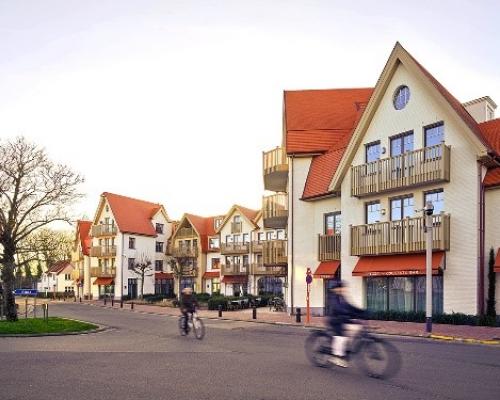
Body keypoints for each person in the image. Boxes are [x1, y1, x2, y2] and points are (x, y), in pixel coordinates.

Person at [326, 281, 365, 367]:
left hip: (343, 319)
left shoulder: (342, 297)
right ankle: (336, 357)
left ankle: (344, 347)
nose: (343, 289)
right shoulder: (333, 297)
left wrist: (361, 311)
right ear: (336, 289)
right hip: (335, 320)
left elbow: (350, 306)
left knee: (356, 327)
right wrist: (350, 314)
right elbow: (337, 308)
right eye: (340, 288)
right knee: (341, 337)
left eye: (343, 288)